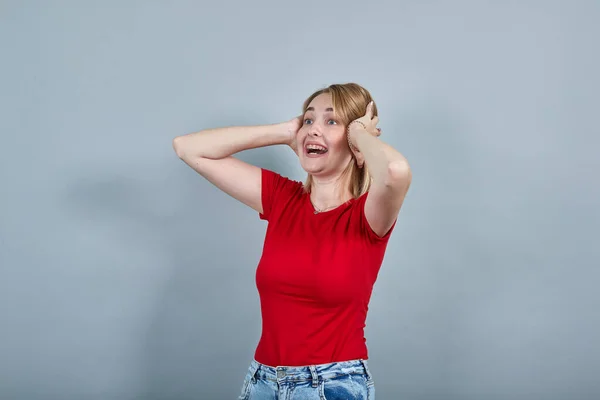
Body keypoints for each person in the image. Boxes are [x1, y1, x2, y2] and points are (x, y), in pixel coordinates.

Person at [172, 83, 412, 399]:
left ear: (354, 142)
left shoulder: (368, 216)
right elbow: (187, 147)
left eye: (332, 122)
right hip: (262, 380)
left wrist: (360, 136)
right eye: (308, 120)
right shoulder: (282, 198)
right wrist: (285, 131)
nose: (313, 130)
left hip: (330, 384)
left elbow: (394, 170)